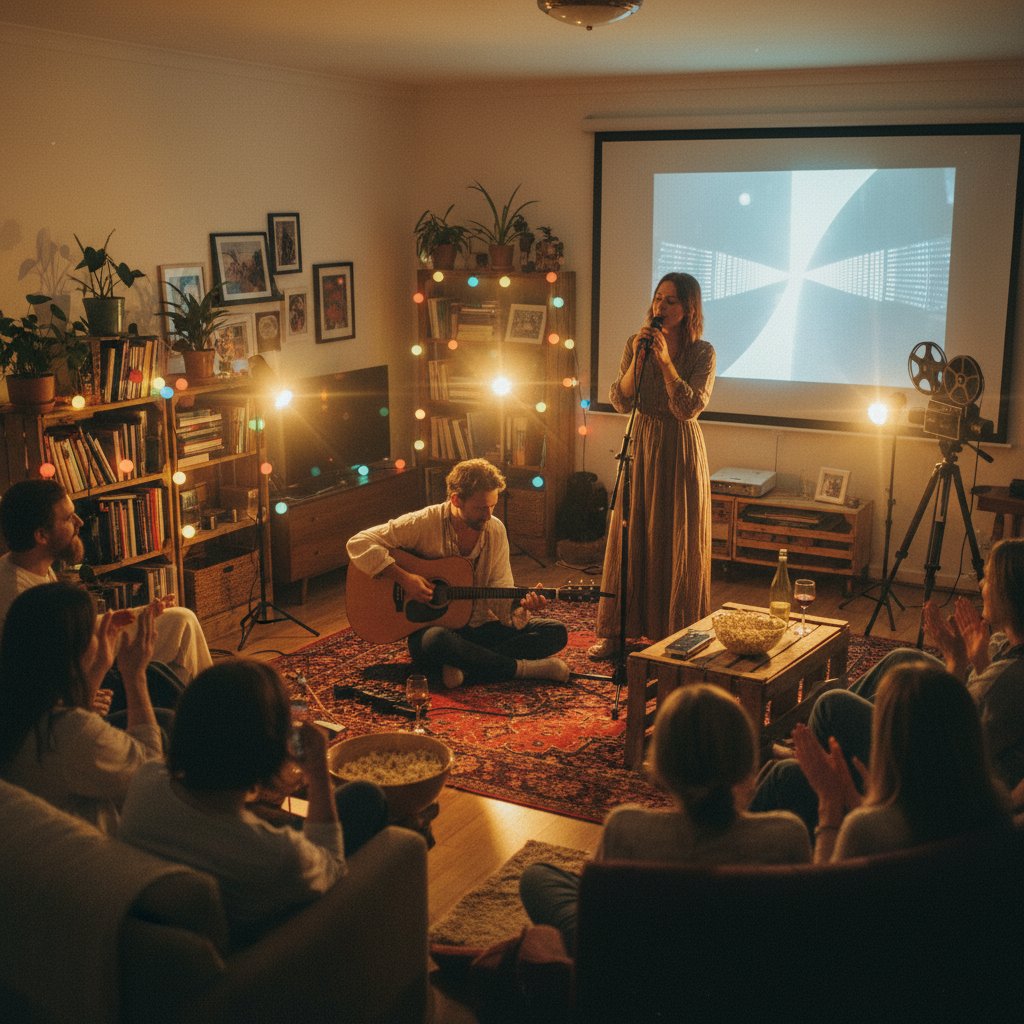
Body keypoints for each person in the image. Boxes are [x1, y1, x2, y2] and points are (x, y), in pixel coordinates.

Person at [752, 537, 1024, 831]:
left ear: (1008, 593)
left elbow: (945, 733)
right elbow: (983, 702)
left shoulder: (1008, 677)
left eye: (988, 578)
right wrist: (979, 659)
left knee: (831, 706)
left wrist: (956, 661)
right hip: (955, 741)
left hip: (927, 768)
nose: (981, 584)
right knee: (903, 659)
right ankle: (823, 750)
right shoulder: (1004, 645)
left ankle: (816, 761)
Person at [518, 684, 810, 956]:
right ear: (748, 762)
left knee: (537, 876)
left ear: (660, 767)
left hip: (645, 969)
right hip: (742, 978)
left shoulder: (626, 829)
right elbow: (807, 922)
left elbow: (602, 913)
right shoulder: (786, 834)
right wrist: (830, 812)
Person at [119, 659, 389, 948]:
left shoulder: (147, 780)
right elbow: (332, 865)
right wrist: (317, 773)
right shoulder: (277, 853)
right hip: (271, 948)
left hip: (162, 932)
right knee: (366, 797)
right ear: (268, 751)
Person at [346, 458, 569, 689]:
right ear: (456, 500)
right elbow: (359, 542)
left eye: (492, 506)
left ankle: (464, 668)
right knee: (436, 641)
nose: (488, 515)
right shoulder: (423, 522)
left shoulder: (495, 529)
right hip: (435, 629)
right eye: (480, 508)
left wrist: (520, 606)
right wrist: (404, 578)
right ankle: (523, 669)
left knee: (555, 632)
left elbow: (499, 589)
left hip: (479, 627)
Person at [589, 273, 716, 660]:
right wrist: (640, 358)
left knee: (675, 536)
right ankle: (617, 631)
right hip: (640, 443)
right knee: (630, 534)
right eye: (658, 298)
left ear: (688, 308)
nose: (661, 306)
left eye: (671, 301)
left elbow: (688, 407)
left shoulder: (702, 352)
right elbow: (620, 399)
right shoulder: (636, 342)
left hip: (678, 449)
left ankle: (675, 631)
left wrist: (665, 364)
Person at [0, 479, 213, 685]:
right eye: (68, 518)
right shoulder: (18, 596)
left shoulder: (35, 566)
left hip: (83, 648)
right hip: (76, 674)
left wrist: (141, 614)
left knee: (181, 620)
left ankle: (213, 699)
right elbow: (48, 674)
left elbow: (70, 629)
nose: (80, 522)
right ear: (41, 535)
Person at [792, 663, 1010, 863]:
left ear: (889, 741)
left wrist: (829, 803)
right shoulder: (997, 808)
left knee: (785, 776)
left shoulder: (863, 829)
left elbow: (823, 891)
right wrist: (857, 801)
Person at [0, 582, 162, 834]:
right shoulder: (67, 733)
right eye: (91, 631)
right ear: (73, 648)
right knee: (166, 721)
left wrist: (99, 667)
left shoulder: (18, 703)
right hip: (102, 847)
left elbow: (72, 723)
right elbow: (150, 777)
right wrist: (135, 675)